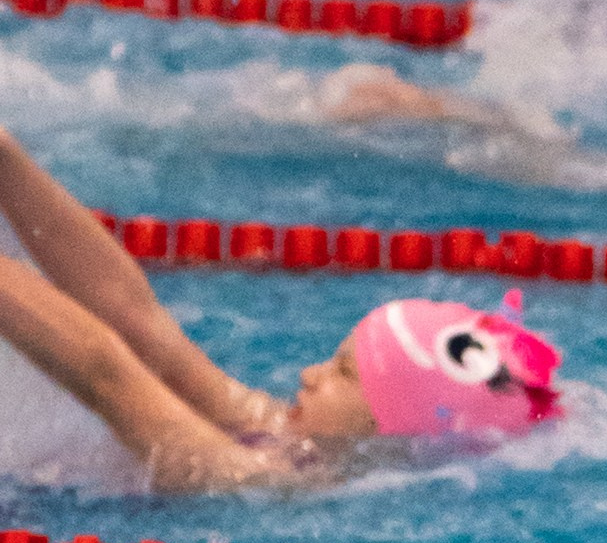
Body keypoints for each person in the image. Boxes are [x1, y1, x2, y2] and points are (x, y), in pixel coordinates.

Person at [0, 126, 562, 494]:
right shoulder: (280, 437)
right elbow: (142, 327)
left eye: (343, 374)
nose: (307, 375)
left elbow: (106, 375)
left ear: (386, 424)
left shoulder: (249, 479)